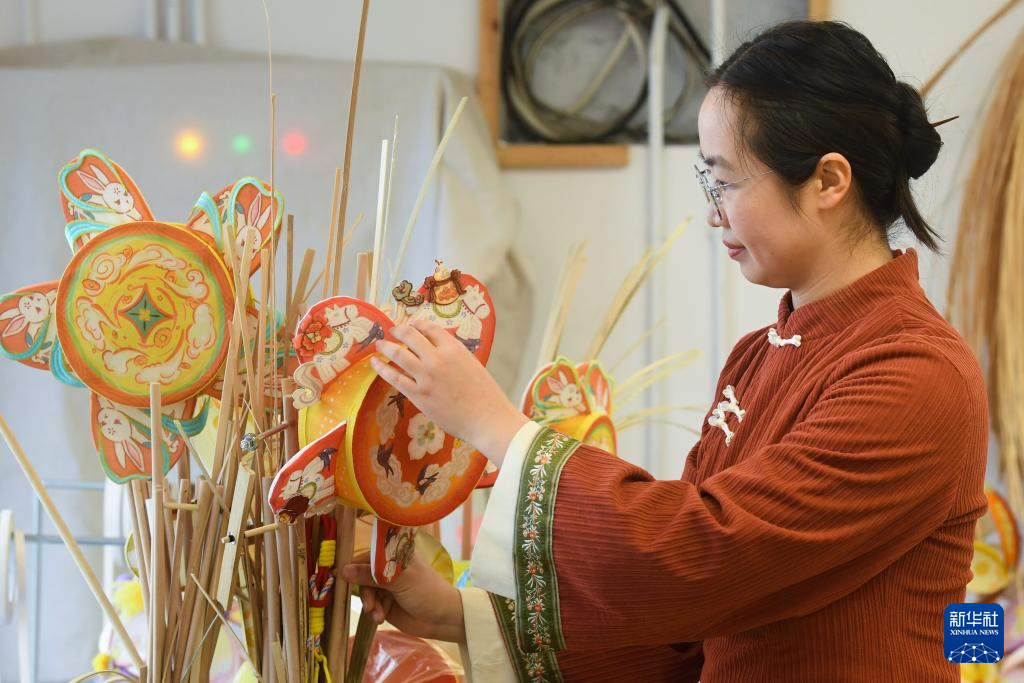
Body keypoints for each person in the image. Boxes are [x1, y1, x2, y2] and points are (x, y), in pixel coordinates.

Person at [343, 20, 989, 682]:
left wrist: (497, 428)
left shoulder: (916, 373)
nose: (713, 213)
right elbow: (687, 625)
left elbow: (703, 560)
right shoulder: (760, 354)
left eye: (726, 183)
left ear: (828, 181)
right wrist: (459, 616)